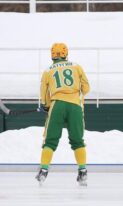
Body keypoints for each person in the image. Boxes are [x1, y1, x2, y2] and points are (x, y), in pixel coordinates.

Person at [35, 43, 90, 185]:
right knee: (78, 140)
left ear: (52, 54)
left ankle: (44, 170)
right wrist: (77, 94)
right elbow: (86, 88)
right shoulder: (77, 66)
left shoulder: (48, 71)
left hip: (57, 105)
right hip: (75, 106)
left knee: (50, 140)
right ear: (66, 53)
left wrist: (46, 105)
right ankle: (83, 171)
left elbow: (44, 92)